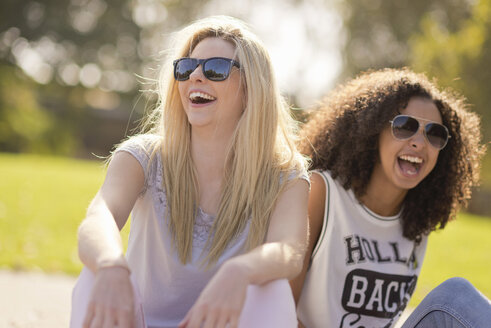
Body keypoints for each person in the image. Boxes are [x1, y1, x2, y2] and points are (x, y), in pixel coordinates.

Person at [70, 15, 310, 328]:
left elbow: (289, 250)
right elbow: (98, 218)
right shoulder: (143, 156)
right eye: (186, 67)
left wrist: (240, 271)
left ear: (251, 89)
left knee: (273, 289)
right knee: (95, 274)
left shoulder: (284, 175)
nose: (195, 76)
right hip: (136, 322)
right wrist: (110, 266)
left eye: (215, 69)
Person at [290, 68, 490, 327]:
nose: (419, 142)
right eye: (405, 126)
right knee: (454, 299)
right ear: (373, 131)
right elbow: (280, 304)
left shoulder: (416, 221)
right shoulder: (321, 193)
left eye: (434, 134)